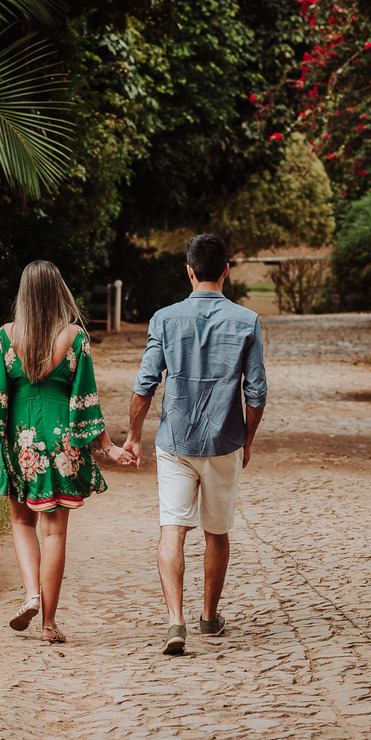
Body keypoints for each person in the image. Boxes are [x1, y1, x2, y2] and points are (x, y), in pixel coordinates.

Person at [124, 234, 268, 655]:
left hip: (176, 442)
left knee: (173, 529)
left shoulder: (165, 319)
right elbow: (256, 393)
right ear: (226, 270)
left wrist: (133, 436)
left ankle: (175, 622)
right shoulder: (247, 321)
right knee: (217, 532)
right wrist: (249, 440)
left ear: (189, 271)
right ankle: (209, 617)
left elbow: (144, 386)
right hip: (223, 441)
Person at [0, 260, 132, 644]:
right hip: (63, 442)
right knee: (55, 533)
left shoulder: (6, 335)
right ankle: (48, 623)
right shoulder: (75, 337)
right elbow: (86, 399)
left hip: (21, 440)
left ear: (24, 294)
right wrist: (107, 447)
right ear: (59, 291)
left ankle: (30, 593)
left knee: (21, 521)